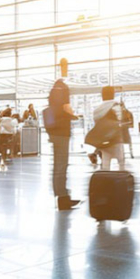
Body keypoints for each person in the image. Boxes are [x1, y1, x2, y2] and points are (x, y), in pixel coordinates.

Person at [49, 58, 80, 211]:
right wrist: (75, 116)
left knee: (58, 165)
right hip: (62, 132)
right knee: (62, 164)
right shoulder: (63, 87)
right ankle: (63, 199)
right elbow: (67, 107)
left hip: (54, 131)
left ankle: (62, 196)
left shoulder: (53, 89)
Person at [91, 86, 125, 171]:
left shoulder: (97, 110)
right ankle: (122, 181)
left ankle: (105, 181)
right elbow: (122, 121)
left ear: (102, 95)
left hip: (104, 141)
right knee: (121, 162)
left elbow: (97, 125)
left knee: (106, 164)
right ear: (113, 94)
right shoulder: (118, 107)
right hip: (116, 139)